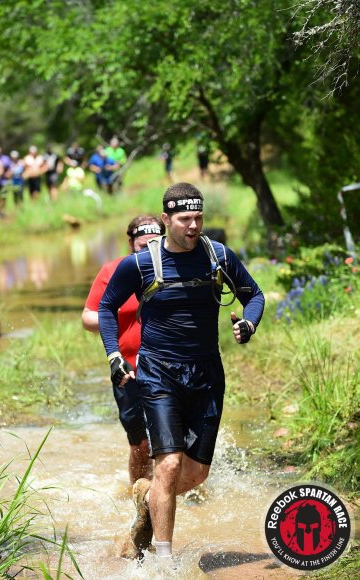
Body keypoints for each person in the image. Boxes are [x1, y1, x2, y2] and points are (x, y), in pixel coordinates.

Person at [98, 182, 265, 564]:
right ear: (166, 219)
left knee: (193, 475)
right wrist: (113, 354)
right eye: (184, 218)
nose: (193, 226)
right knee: (169, 464)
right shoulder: (141, 263)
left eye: (198, 217)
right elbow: (107, 307)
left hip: (207, 373)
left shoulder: (218, 256)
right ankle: (163, 561)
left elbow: (253, 295)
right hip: (157, 374)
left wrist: (250, 324)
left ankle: (147, 498)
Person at [82, 215, 165, 488]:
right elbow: (88, 318)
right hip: (127, 369)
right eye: (143, 246)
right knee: (140, 442)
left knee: (175, 436)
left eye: (155, 244)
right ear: (130, 243)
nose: (149, 252)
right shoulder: (113, 271)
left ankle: (176, 495)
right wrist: (110, 315)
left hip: (168, 365)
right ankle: (140, 500)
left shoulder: (176, 267)